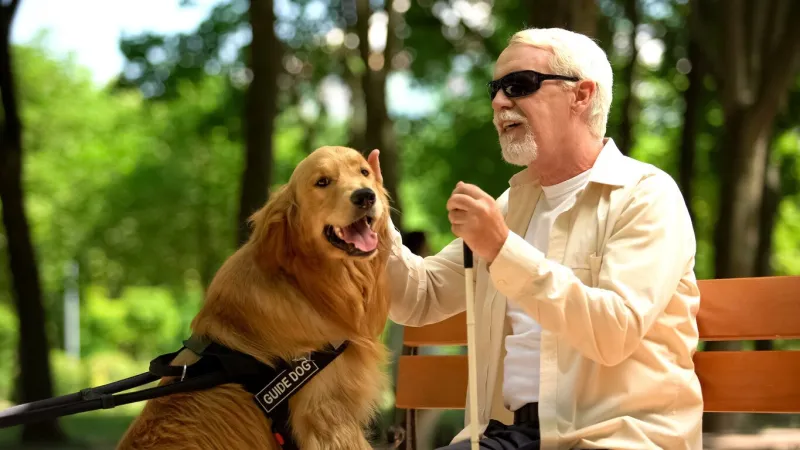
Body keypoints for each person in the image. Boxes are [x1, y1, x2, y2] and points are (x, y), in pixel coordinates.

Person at [367, 27, 703, 450]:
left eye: (519, 85)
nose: (499, 101)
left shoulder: (646, 195)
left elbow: (614, 332)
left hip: (616, 438)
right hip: (504, 435)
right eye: (496, 88)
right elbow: (421, 297)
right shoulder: (513, 205)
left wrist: (503, 250)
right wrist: (371, 224)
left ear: (581, 95)